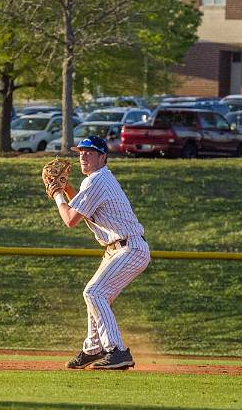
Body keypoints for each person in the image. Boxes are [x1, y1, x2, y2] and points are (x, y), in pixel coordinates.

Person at [51, 135, 150, 370]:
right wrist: (66, 189)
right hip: (121, 249)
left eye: (90, 152)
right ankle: (93, 349)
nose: (83, 156)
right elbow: (83, 208)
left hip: (129, 248)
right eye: (81, 152)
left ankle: (116, 351)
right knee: (96, 296)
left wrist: (56, 195)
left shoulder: (97, 180)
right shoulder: (98, 181)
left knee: (94, 292)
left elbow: (70, 219)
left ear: (103, 157)